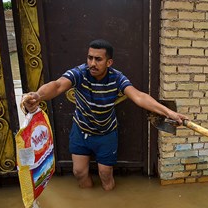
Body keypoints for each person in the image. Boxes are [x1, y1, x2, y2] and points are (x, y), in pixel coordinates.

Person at [21, 39, 188, 191]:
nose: (92, 63)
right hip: (81, 130)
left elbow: (139, 96)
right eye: (90, 58)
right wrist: (37, 95)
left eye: (98, 59)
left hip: (106, 133)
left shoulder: (117, 78)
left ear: (109, 62)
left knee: (105, 175)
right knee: (79, 172)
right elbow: (57, 86)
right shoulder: (80, 73)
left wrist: (169, 112)